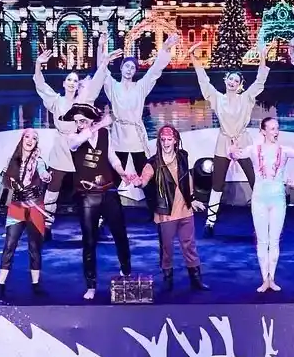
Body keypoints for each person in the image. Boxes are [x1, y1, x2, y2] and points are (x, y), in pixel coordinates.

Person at [33, 40, 114, 233]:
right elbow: (41, 85)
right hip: (61, 149)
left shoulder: (84, 101)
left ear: (78, 85)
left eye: (75, 81)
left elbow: (96, 83)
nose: (72, 83)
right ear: (64, 83)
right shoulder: (56, 101)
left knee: (89, 188)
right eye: (69, 80)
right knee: (53, 188)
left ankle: (95, 223)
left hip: (81, 148)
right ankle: (47, 225)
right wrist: (38, 64)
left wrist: (104, 62)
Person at [193, 42, 271, 235]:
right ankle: (210, 222)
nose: (232, 82)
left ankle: (264, 219)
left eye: (236, 80)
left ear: (240, 84)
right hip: (224, 142)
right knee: (217, 183)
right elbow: (204, 81)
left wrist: (263, 57)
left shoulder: (247, 98)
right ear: (225, 80)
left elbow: (260, 81)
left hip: (242, 141)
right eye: (230, 79)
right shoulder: (217, 98)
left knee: (255, 180)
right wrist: (194, 58)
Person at [64, 103, 138, 301]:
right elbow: (76, 143)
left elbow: (112, 157)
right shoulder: (73, 137)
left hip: (108, 191)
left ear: (90, 119)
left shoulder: (104, 134)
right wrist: (98, 124)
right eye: (77, 121)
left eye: (83, 120)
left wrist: (122, 172)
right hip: (87, 195)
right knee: (89, 241)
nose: (79, 124)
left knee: (120, 234)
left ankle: (126, 271)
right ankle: (91, 285)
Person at [229, 117, 294, 293]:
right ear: (263, 131)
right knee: (263, 241)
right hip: (259, 200)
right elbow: (236, 155)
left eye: (277, 128)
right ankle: (265, 279)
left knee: (274, 240)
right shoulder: (254, 149)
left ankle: (272, 278)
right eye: (271, 129)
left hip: (278, 200)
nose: (275, 132)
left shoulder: (284, 150)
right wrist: (231, 151)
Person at [137, 125, 209, 292]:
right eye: (163, 140)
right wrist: (138, 182)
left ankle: (196, 280)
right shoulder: (153, 163)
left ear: (175, 140)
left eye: (169, 139)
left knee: (189, 245)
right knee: (167, 248)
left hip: (185, 210)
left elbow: (187, 178)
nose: (166, 143)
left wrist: (192, 199)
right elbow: (144, 180)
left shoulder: (182, 156)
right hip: (166, 213)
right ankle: (168, 280)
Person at [103, 35, 176, 179]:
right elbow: (102, 71)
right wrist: (101, 47)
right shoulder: (113, 86)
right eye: (127, 66)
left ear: (135, 71)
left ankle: (154, 194)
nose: (129, 70)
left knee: (145, 176)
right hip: (119, 137)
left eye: (133, 68)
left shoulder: (140, 87)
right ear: (121, 67)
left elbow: (155, 70)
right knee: (114, 177)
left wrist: (165, 48)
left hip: (136, 137)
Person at [0, 129, 50, 298]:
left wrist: (46, 176)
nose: (30, 140)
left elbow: (43, 172)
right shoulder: (12, 161)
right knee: (9, 246)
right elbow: (0, 180)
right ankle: (0, 285)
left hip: (35, 208)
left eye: (34, 138)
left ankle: (36, 284)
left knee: (35, 248)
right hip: (17, 208)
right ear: (22, 139)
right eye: (27, 136)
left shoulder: (39, 161)